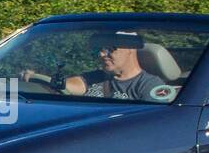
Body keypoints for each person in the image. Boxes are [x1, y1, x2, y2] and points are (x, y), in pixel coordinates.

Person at [21, 31, 165, 101]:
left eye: (110, 49)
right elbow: (67, 85)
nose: (102, 54)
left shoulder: (150, 86)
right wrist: (37, 78)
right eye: (101, 49)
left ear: (131, 50)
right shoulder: (96, 77)